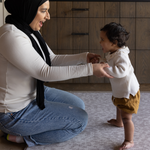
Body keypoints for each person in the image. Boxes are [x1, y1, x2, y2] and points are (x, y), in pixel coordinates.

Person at [0, 0, 112, 149]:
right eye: (43, 10)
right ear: (28, 9)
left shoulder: (29, 30)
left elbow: (51, 59)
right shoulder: (11, 35)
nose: (48, 16)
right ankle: (21, 137)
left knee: (78, 105)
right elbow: (44, 72)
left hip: (34, 93)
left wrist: (83, 57)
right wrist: (90, 69)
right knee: (80, 121)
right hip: (14, 113)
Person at [99, 22, 140, 150]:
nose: (100, 42)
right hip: (121, 90)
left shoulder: (122, 55)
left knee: (127, 117)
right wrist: (102, 63)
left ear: (114, 42)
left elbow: (121, 71)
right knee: (118, 105)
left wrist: (105, 68)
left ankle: (129, 140)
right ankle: (119, 122)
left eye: (102, 40)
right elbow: (111, 63)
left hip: (128, 92)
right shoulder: (114, 52)